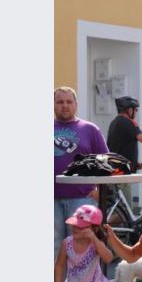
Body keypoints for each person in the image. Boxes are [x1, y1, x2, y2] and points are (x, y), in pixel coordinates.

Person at [54, 86, 109, 259]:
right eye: (60, 102)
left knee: (82, 250)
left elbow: (105, 162)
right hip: (51, 200)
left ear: (76, 104)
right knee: (53, 249)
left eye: (69, 101)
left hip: (82, 199)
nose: (64, 105)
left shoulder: (90, 129)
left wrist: (99, 190)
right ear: (53, 104)